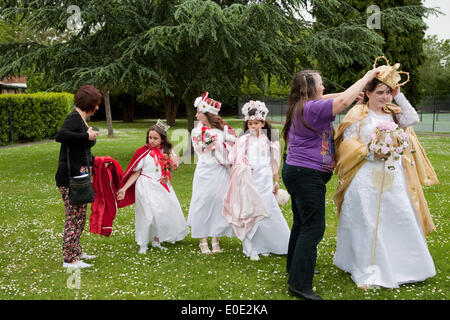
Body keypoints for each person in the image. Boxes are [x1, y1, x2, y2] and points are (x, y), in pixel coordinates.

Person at [281, 68, 380, 300]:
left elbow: (335, 97)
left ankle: (294, 270)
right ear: (310, 89)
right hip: (306, 175)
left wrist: (347, 94)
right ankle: (299, 284)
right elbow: (342, 100)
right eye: (321, 84)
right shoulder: (311, 108)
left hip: (296, 171)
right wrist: (366, 78)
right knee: (313, 228)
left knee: (301, 223)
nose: (324, 87)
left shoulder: (302, 104)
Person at [332, 75, 439, 289]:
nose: (385, 96)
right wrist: (371, 153)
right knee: (369, 220)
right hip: (365, 174)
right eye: (380, 92)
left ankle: (405, 265)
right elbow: (348, 144)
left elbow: (413, 119)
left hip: (393, 175)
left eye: (388, 92)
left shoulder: (394, 113)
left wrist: (398, 95)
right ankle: (368, 267)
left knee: (397, 215)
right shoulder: (357, 114)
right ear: (368, 93)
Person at [223, 100, 290, 261]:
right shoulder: (244, 139)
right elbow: (235, 157)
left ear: (263, 123)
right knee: (251, 211)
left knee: (266, 211)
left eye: (256, 123)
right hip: (249, 178)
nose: (253, 126)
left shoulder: (269, 139)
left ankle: (267, 244)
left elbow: (274, 161)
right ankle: (251, 247)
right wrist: (243, 166)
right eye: (250, 123)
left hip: (265, 178)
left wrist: (276, 180)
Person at [117, 120, 188, 253]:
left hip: (161, 185)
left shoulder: (167, 151)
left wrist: (170, 163)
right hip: (145, 185)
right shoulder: (144, 152)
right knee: (147, 215)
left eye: (156, 138)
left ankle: (156, 240)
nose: (152, 141)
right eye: (150, 137)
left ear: (162, 139)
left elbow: (173, 167)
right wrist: (124, 188)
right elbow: (136, 172)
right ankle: (143, 244)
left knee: (160, 214)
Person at [55, 84, 102, 269]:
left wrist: (95, 162)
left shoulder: (82, 121)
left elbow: (79, 150)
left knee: (80, 216)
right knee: (73, 218)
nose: (97, 108)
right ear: (88, 103)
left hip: (79, 176)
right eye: (96, 104)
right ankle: (69, 259)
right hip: (69, 178)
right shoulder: (74, 118)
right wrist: (85, 137)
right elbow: (61, 135)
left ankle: (76, 251)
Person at [187, 92, 236, 254]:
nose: (196, 115)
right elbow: (199, 150)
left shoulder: (224, 131)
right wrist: (209, 145)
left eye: (199, 112)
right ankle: (202, 239)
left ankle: (215, 238)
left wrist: (221, 148)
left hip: (220, 171)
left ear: (207, 114)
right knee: (203, 201)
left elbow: (232, 149)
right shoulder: (197, 131)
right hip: (205, 170)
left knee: (218, 202)